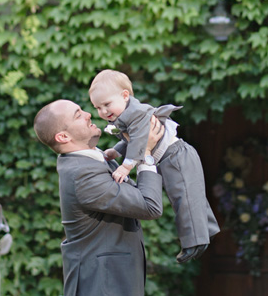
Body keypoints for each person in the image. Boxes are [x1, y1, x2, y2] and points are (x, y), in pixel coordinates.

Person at [33, 99, 166, 296]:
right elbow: (149, 206)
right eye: (78, 114)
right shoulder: (82, 175)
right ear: (63, 136)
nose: (88, 114)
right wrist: (145, 153)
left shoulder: (91, 160)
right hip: (102, 285)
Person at [89, 69, 220, 263]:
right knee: (190, 197)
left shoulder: (137, 114)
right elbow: (130, 141)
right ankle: (206, 232)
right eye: (98, 107)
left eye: (107, 104)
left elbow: (139, 142)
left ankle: (194, 243)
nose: (103, 112)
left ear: (125, 96)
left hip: (176, 155)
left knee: (185, 198)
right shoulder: (125, 118)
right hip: (171, 158)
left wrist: (125, 167)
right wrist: (115, 151)